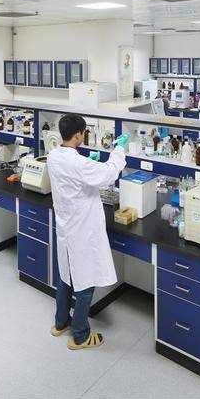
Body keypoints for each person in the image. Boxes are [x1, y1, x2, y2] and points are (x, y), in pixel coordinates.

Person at [46, 114, 128, 350]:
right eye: (84, 133)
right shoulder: (79, 164)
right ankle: (80, 336)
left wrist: (89, 164)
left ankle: (60, 323)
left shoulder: (54, 155)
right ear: (78, 135)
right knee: (85, 281)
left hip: (65, 227)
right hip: (82, 230)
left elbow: (76, 176)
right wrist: (118, 150)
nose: (85, 136)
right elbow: (109, 174)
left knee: (66, 277)